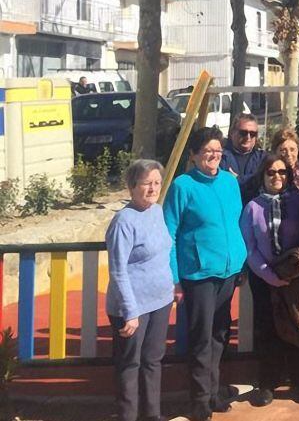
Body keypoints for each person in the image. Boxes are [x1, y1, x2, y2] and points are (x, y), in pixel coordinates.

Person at [163, 127, 247, 421]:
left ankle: (213, 392)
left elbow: (237, 222)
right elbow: (169, 234)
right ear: (194, 155)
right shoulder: (182, 187)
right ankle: (199, 400)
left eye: (218, 151)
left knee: (219, 334)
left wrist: (241, 260)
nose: (213, 156)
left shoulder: (228, 182)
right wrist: (175, 278)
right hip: (198, 275)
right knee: (200, 338)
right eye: (207, 151)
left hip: (228, 272)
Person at [240, 153, 299, 406]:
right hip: (264, 280)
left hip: (296, 279)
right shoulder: (252, 207)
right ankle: (268, 383)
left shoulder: (298, 202)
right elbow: (249, 247)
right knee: (268, 331)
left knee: (298, 328)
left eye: (282, 172)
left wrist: (294, 272)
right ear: (263, 175)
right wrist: (270, 276)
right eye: (271, 172)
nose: (277, 177)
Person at [106, 159, 174, 421]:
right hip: (133, 308)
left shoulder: (156, 211)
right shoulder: (123, 221)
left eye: (156, 182)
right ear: (132, 186)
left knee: (153, 361)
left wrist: (170, 288)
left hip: (160, 301)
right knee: (130, 364)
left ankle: (153, 415)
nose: (153, 188)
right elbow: (118, 270)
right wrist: (130, 311)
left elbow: (162, 253)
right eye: (146, 183)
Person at [221, 113, 265, 197]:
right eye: (243, 132)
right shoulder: (220, 157)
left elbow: (263, 181)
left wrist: (238, 180)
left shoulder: (263, 158)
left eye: (252, 134)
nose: (248, 137)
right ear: (232, 132)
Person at [271, 127, 299, 191]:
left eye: (292, 150)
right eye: (283, 150)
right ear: (274, 151)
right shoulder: (268, 175)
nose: (288, 154)